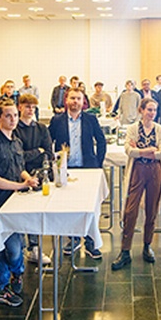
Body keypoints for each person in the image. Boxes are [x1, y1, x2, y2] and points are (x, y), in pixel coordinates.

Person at [0, 100, 40, 307]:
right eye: (8, 115)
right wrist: (20, 185)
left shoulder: (16, 142)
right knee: (13, 247)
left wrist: (28, 179)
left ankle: (3, 285)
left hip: (16, 199)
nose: (13, 119)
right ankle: (11, 278)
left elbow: (20, 166)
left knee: (14, 243)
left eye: (15, 115)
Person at [49, 87, 107, 259]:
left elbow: (101, 141)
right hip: (67, 171)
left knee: (90, 206)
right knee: (69, 206)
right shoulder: (57, 120)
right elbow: (48, 143)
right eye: (72, 98)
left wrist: (98, 164)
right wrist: (55, 165)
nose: (75, 101)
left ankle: (90, 242)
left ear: (83, 102)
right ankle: (73, 239)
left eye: (79, 99)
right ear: (66, 100)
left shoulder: (90, 119)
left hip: (88, 168)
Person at [112, 98, 161, 270]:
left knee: (152, 208)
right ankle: (125, 250)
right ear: (141, 110)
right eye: (149, 110)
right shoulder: (132, 129)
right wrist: (150, 150)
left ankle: (147, 245)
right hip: (137, 171)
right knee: (130, 210)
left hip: (155, 171)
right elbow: (129, 151)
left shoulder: (160, 129)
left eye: (154, 110)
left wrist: (141, 151)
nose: (152, 113)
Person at [15, 93, 53, 264]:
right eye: (27, 106)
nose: (30, 110)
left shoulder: (41, 129)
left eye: (33, 107)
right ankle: (20, 247)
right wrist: (37, 151)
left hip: (39, 175)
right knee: (20, 213)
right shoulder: (14, 130)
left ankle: (34, 247)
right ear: (20, 107)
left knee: (36, 212)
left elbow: (49, 153)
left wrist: (38, 153)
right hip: (18, 175)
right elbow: (17, 158)